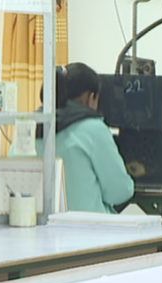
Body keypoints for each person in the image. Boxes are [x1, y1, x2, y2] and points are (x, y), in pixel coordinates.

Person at [39, 63, 134, 213]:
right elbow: (120, 192)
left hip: (38, 226)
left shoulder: (32, 127)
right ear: (91, 97)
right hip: (88, 226)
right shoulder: (93, 129)